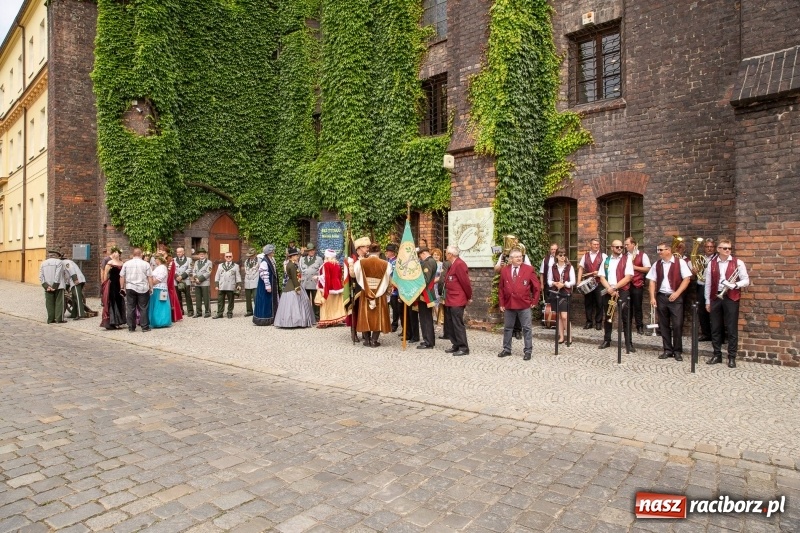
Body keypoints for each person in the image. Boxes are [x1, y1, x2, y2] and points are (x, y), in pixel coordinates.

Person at [705, 239, 750, 368]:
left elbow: (746, 280)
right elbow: (708, 284)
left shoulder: (738, 262)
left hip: (731, 297)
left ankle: (731, 357)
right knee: (715, 327)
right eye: (724, 248)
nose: (727, 250)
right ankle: (717, 354)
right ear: (718, 249)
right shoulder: (711, 263)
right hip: (716, 296)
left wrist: (734, 284)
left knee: (731, 328)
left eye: (729, 248)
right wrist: (708, 301)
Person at [647, 241, 692, 361]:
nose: (659, 252)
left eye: (661, 250)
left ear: (668, 250)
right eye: (658, 250)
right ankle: (667, 349)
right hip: (662, 296)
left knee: (677, 324)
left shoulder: (680, 262)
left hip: (675, 297)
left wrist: (677, 293)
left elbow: (687, 279)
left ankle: (677, 351)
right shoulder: (657, 264)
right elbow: (652, 281)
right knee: (663, 324)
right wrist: (652, 297)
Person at [498, 249, 541, 360]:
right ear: (511, 259)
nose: (519, 258)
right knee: (508, 328)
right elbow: (501, 288)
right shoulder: (504, 270)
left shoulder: (529, 269)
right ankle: (506, 349)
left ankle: (528, 351)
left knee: (526, 328)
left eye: (520, 256)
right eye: (516, 257)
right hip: (509, 304)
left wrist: (534, 301)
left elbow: (536, 287)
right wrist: (501, 303)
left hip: (524, 304)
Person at [598, 240, 635, 352]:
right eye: (617, 247)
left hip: (622, 291)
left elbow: (628, 277)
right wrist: (609, 289)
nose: (620, 248)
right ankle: (607, 340)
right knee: (608, 316)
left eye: (621, 247)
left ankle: (629, 343)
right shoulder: (606, 260)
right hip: (609, 291)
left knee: (625, 317)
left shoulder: (627, 259)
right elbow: (601, 277)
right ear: (612, 248)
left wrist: (615, 288)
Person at [352, 243, 392, 346]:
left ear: (368, 251)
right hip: (380, 293)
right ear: (379, 252)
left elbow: (356, 275)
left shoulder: (360, 263)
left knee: (365, 315)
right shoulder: (386, 264)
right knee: (378, 316)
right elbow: (387, 279)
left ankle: (366, 340)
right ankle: (374, 340)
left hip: (365, 292)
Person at [274, 247, 316, 328]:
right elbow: (294, 277)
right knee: (295, 304)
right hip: (293, 285)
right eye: (296, 256)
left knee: (288, 305)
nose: (297, 257)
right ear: (292, 256)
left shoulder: (290, 264)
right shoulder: (292, 265)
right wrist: (297, 288)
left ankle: (287, 321)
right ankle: (296, 321)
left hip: (289, 285)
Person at [444, 245, 472, 356]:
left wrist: (469, 297)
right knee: (450, 323)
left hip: (457, 299)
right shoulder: (453, 264)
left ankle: (463, 347)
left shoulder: (460, 264)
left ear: (451, 254)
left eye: (446, 253)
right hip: (451, 298)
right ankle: (455, 344)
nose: (445, 254)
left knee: (457, 323)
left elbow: (465, 283)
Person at [120, 248, 153, 332]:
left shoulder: (126, 264)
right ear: (141, 254)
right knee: (143, 308)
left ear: (133, 254)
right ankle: (144, 327)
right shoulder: (146, 264)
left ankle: (131, 327)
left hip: (130, 287)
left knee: (130, 307)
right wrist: (151, 287)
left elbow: (122, 276)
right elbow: (149, 276)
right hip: (143, 288)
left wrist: (122, 287)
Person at [577, 238, 606, 330]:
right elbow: (581, 268)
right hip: (588, 284)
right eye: (594, 244)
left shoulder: (603, 256)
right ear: (590, 245)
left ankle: (598, 322)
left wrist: (600, 272)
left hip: (599, 283)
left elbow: (607, 268)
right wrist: (578, 281)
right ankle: (589, 322)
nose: (596, 246)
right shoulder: (585, 256)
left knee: (600, 303)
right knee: (588, 303)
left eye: (597, 244)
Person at [346, 237, 371, 342]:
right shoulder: (352, 258)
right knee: (355, 311)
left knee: (366, 311)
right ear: (360, 248)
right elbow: (350, 276)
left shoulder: (368, 257)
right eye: (366, 247)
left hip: (366, 289)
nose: (368, 249)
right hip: (355, 288)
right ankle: (354, 332)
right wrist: (351, 264)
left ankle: (366, 333)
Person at [548, 248, 575, 344]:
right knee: (558, 316)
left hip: (565, 293)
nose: (563, 257)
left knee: (564, 316)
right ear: (557, 256)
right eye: (560, 255)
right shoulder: (553, 267)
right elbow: (549, 281)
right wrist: (555, 283)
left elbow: (573, 281)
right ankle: (561, 337)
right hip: (555, 293)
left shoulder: (569, 267)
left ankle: (569, 337)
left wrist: (564, 284)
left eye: (564, 255)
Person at [625, 237, 651, 335]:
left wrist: (635, 267)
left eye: (627, 244)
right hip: (626, 285)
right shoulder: (625, 256)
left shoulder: (642, 255)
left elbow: (648, 269)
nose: (625, 246)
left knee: (637, 307)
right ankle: (627, 326)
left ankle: (639, 327)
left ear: (633, 244)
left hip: (637, 284)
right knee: (627, 307)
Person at [316, 249, 347, 328]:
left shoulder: (326, 265)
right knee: (335, 304)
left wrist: (325, 294)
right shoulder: (337, 265)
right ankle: (335, 320)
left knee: (326, 305)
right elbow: (339, 277)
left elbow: (327, 278)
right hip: (337, 286)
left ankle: (325, 321)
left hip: (328, 287)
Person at [694, 238, 717, 341]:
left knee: (715, 311)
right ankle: (706, 334)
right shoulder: (700, 258)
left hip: (713, 287)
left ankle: (717, 335)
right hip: (701, 285)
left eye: (711, 247)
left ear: (714, 248)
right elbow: (694, 275)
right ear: (704, 248)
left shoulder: (717, 259)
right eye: (707, 247)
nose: (709, 249)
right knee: (702, 311)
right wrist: (695, 271)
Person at [416, 247, 439, 350]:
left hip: (425, 294)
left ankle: (428, 342)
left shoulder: (427, 262)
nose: (420, 258)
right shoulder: (431, 261)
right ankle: (428, 340)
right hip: (426, 293)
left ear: (424, 253)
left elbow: (425, 279)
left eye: (420, 255)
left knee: (425, 318)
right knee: (426, 318)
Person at [101, 246, 127, 330]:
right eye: (114, 252)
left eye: (117, 252)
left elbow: (123, 275)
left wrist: (123, 285)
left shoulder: (122, 263)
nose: (115, 254)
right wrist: (105, 284)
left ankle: (119, 321)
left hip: (119, 284)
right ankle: (112, 321)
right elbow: (105, 274)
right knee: (112, 301)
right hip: (112, 284)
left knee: (119, 300)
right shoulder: (110, 263)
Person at [254, 245, 280, 326]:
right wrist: (267, 285)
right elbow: (264, 274)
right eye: (272, 251)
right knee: (265, 301)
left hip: (272, 283)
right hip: (265, 286)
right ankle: (265, 319)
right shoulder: (264, 261)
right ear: (269, 252)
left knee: (271, 301)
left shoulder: (271, 259)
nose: (274, 252)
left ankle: (273, 318)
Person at [39, 250, 66, 324]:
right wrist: (55, 285)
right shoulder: (58, 262)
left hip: (48, 286)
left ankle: (50, 319)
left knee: (49, 303)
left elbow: (41, 276)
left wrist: (46, 286)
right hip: (58, 285)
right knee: (59, 302)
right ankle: (59, 319)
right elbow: (58, 274)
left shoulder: (43, 263)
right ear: (56, 255)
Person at [213, 252, 242, 319]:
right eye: (227, 256)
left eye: (230, 256)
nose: (228, 258)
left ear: (232, 257)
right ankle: (220, 313)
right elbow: (217, 275)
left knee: (231, 300)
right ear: (225, 257)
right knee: (220, 301)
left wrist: (239, 284)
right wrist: (216, 285)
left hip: (230, 285)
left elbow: (238, 276)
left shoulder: (236, 266)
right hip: (222, 285)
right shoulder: (220, 265)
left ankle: (229, 313)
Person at [299, 243, 323, 320]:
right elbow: (299, 270)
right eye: (310, 250)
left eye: (313, 250)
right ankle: (306, 316)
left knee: (315, 301)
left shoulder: (319, 259)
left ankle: (316, 316)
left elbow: (322, 270)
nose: (312, 252)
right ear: (307, 251)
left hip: (314, 283)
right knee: (305, 300)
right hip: (305, 283)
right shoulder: (302, 259)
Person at [148, 255, 172, 328]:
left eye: (156, 259)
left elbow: (159, 279)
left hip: (161, 288)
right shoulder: (157, 267)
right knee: (155, 304)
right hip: (155, 288)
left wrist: (151, 284)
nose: (155, 260)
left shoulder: (163, 267)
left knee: (161, 304)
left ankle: (161, 321)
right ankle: (155, 320)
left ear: (159, 260)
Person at [62, 256, 88, 320]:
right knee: (73, 298)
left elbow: (71, 271)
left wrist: (75, 279)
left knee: (77, 297)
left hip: (76, 281)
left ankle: (80, 314)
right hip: (74, 282)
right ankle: (74, 314)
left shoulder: (66, 263)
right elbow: (67, 277)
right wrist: (66, 287)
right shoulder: (65, 264)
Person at [192, 248, 213, 318]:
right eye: (200, 254)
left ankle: (207, 312)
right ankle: (198, 312)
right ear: (198, 255)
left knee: (206, 298)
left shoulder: (209, 262)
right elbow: (193, 271)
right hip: (197, 283)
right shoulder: (196, 262)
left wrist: (200, 279)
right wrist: (195, 278)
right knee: (198, 298)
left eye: (203, 254)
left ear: (205, 254)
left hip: (204, 282)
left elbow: (208, 272)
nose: (202, 255)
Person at [174, 246, 194, 317]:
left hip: (185, 280)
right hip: (176, 280)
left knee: (188, 296)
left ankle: (190, 311)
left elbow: (190, 269)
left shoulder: (189, 260)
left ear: (183, 252)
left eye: (180, 252)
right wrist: (177, 277)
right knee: (178, 296)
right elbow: (172, 270)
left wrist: (182, 276)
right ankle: (180, 310)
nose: (178, 253)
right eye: (177, 252)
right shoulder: (173, 260)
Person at [385, 243, 401, 332]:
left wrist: (393, 286)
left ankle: (394, 324)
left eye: (388, 251)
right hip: (386, 287)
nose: (386, 253)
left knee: (395, 308)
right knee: (387, 306)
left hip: (394, 288)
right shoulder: (386, 261)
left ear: (392, 252)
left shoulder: (396, 261)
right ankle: (386, 323)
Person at [242, 248, 259, 317]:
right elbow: (246, 270)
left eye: (252, 255)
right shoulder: (246, 261)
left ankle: (257, 310)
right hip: (248, 280)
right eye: (249, 255)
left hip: (255, 280)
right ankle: (249, 311)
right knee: (248, 297)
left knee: (255, 297)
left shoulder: (259, 261)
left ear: (255, 255)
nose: (250, 257)